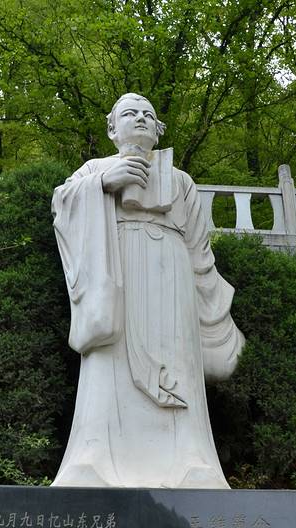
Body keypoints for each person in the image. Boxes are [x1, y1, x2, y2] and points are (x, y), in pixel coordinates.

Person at [51, 93, 245, 488]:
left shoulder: (181, 180)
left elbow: (199, 248)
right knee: (110, 366)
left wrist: (212, 309)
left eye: (148, 115)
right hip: (115, 276)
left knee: (179, 363)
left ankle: (190, 462)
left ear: (158, 130)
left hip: (172, 279)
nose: (140, 118)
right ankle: (95, 461)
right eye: (129, 113)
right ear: (112, 128)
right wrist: (103, 183)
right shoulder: (95, 168)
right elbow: (62, 205)